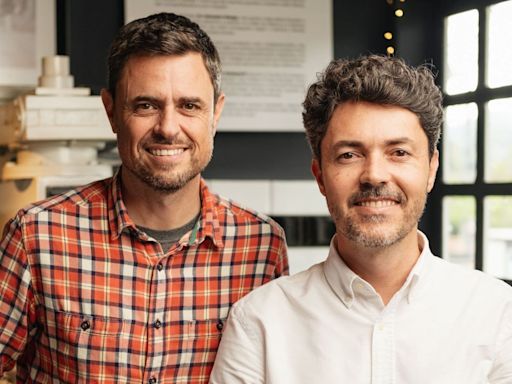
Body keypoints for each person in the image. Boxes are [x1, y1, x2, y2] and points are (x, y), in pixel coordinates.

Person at [0, 12, 288, 383]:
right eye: (146, 105)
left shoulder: (262, 247)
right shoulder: (37, 235)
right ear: (111, 112)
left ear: (215, 112)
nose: (168, 128)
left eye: (189, 105)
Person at [210, 55, 512, 383]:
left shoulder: (497, 314)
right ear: (320, 176)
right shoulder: (258, 323)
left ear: (431, 169)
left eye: (399, 152)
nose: (374, 175)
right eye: (349, 155)